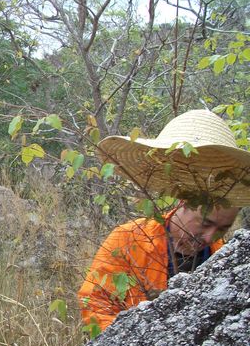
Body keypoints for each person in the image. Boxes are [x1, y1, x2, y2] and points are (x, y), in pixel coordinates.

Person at [78, 109, 250, 333]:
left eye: (222, 228)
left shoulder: (224, 260)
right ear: (181, 203)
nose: (210, 237)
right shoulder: (130, 239)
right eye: (205, 224)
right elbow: (95, 305)